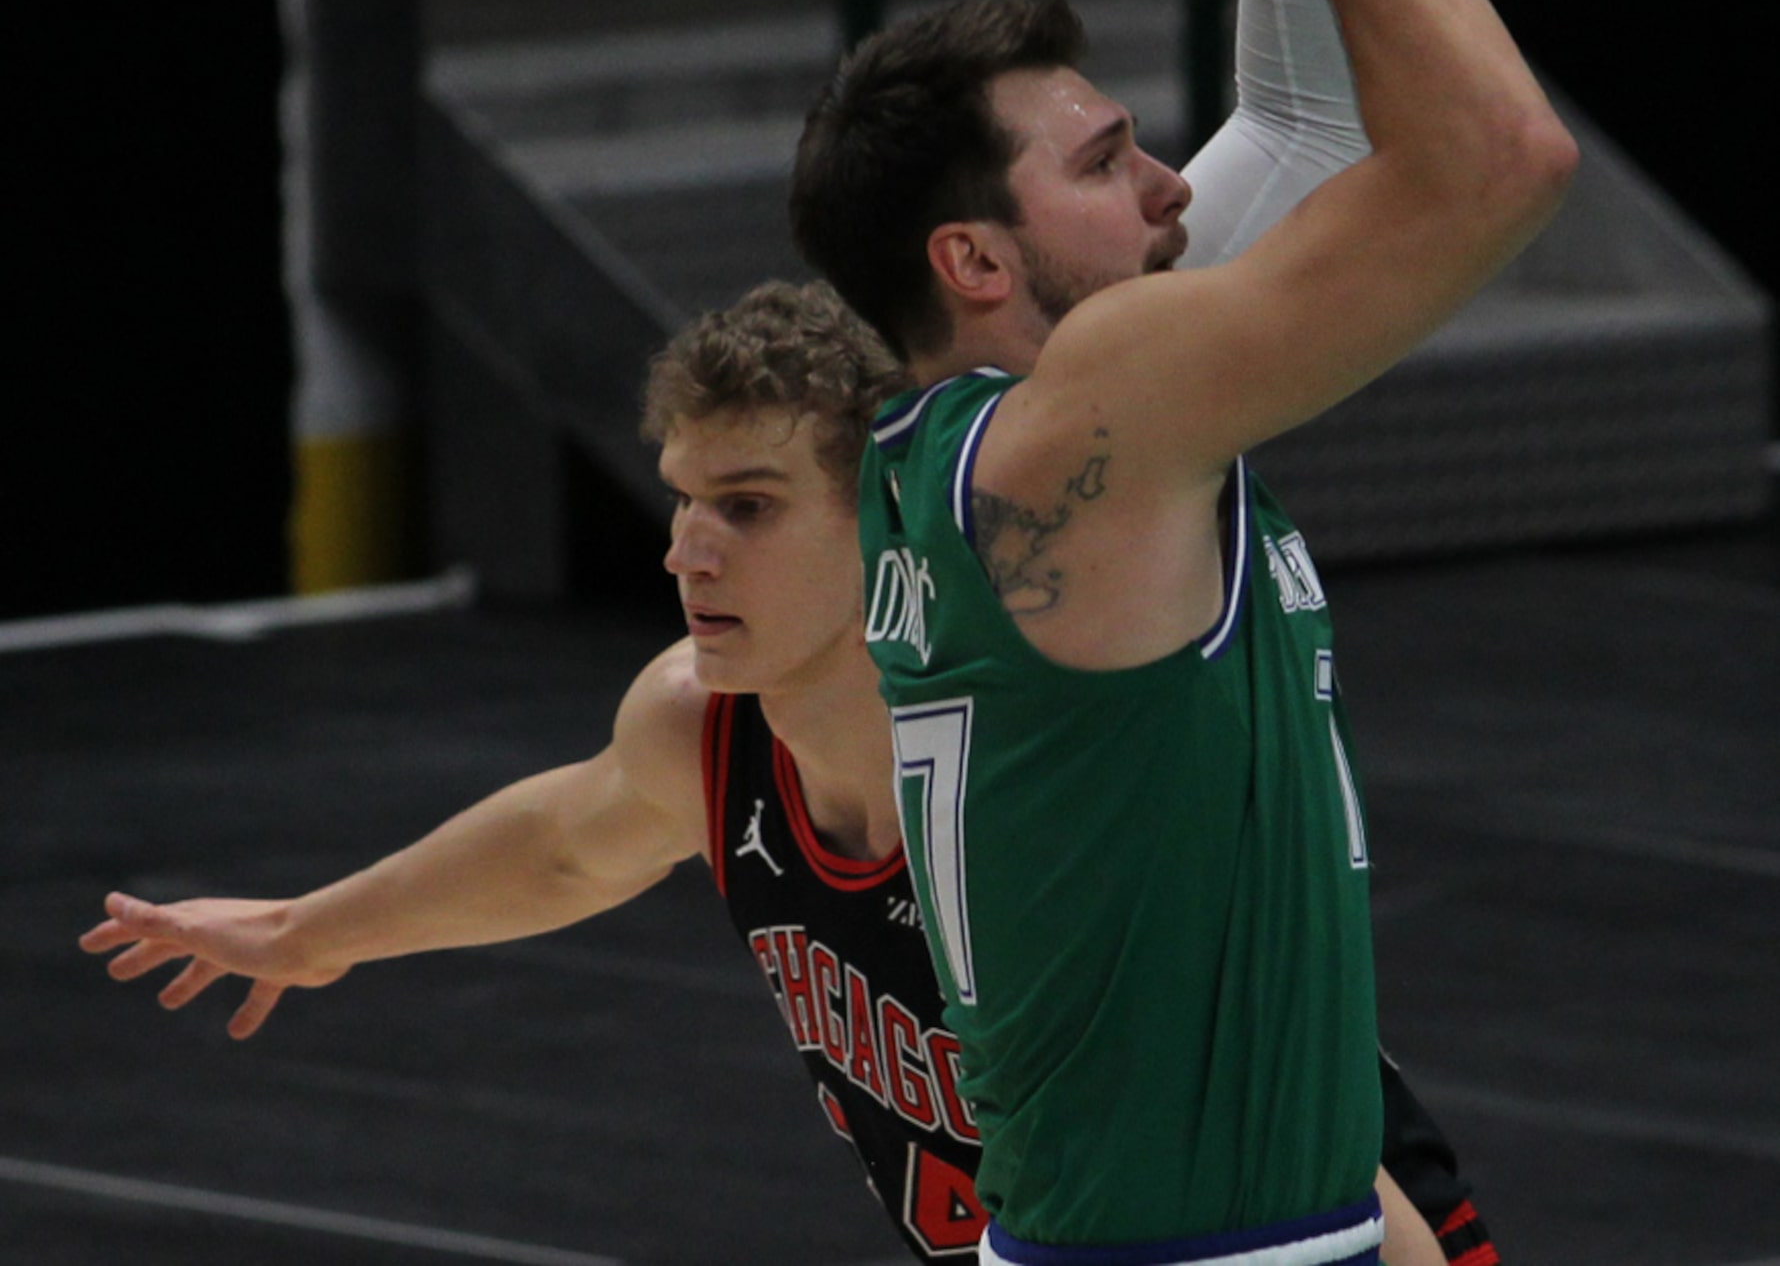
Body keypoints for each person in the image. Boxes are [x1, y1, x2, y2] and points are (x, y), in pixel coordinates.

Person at [82, 286, 1492, 1265]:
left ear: (885, 517)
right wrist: (309, 929)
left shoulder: (1037, 786)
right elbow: (572, 840)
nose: (686, 549)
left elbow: (1306, 1174)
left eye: (746, 508)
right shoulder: (704, 725)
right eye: (684, 500)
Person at [789, 0, 1575, 1266]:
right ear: (976, 259)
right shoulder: (1093, 418)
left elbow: (1302, 126)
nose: (1166, 186)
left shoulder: (975, 439)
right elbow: (1504, 154)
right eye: (1106, 161)